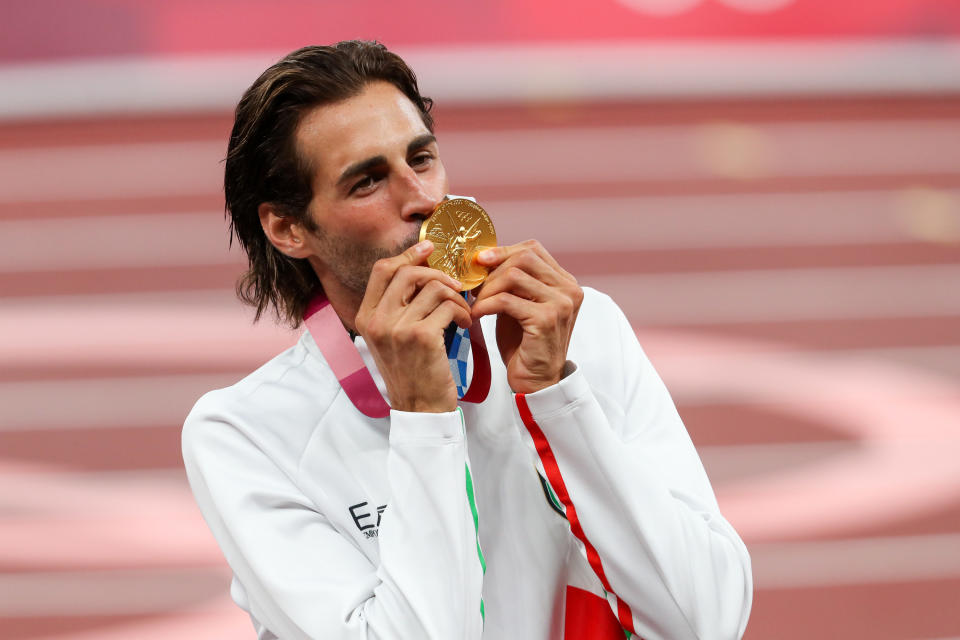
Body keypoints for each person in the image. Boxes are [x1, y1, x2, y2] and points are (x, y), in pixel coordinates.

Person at [182, 40, 752, 640]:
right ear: (289, 228)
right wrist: (423, 416)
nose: (424, 200)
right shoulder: (245, 434)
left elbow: (706, 620)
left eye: (421, 159)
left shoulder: (578, 332)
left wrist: (556, 398)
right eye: (367, 182)